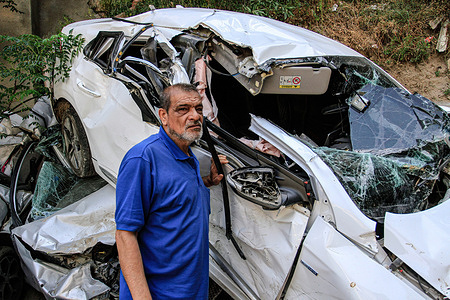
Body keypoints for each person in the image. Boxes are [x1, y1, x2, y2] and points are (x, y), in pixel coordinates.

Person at [115, 83, 227, 299]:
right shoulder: (143, 159)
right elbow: (125, 234)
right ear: (163, 116)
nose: (194, 116)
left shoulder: (185, 150)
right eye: (183, 109)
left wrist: (207, 181)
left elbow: (171, 196)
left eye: (199, 109)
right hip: (160, 292)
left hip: (192, 289)